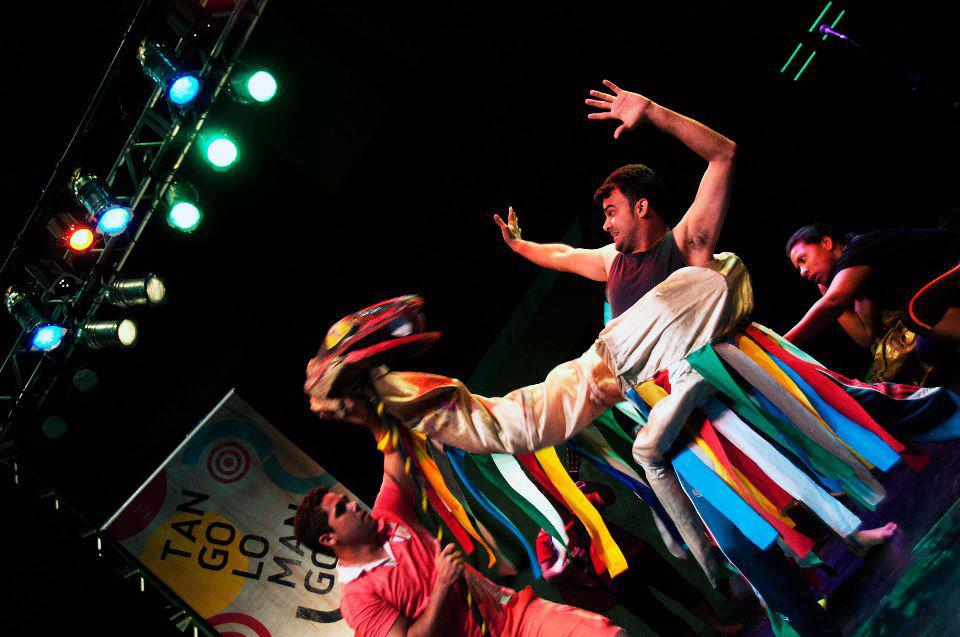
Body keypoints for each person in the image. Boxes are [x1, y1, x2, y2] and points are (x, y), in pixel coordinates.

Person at [294, 391, 626, 637]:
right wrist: (442, 583)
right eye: (342, 510)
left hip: (514, 617)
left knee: (607, 635)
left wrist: (369, 416)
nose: (354, 505)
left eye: (347, 500)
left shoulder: (389, 518)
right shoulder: (358, 598)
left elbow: (394, 457)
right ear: (328, 538)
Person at [536, 480, 743, 636]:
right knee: (658, 617)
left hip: (635, 552)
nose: (547, 497)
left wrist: (591, 485)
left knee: (680, 589)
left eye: (545, 491)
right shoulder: (545, 535)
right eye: (541, 496)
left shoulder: (576, 503)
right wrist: (566, 562)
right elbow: (549, 576)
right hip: (613, 578)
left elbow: (608, 497)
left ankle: (720, 627)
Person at [784, 223, 960, 385]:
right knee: (926, 348)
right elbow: (866, 336)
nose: (803, 272)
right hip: (944, 292)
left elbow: (833, 302)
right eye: (798, 269)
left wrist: (783, 343)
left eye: (802, 259)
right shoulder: (861, 275)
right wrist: (827, 293)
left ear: (826, 243)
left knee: (918, 311)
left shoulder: (858, 249)